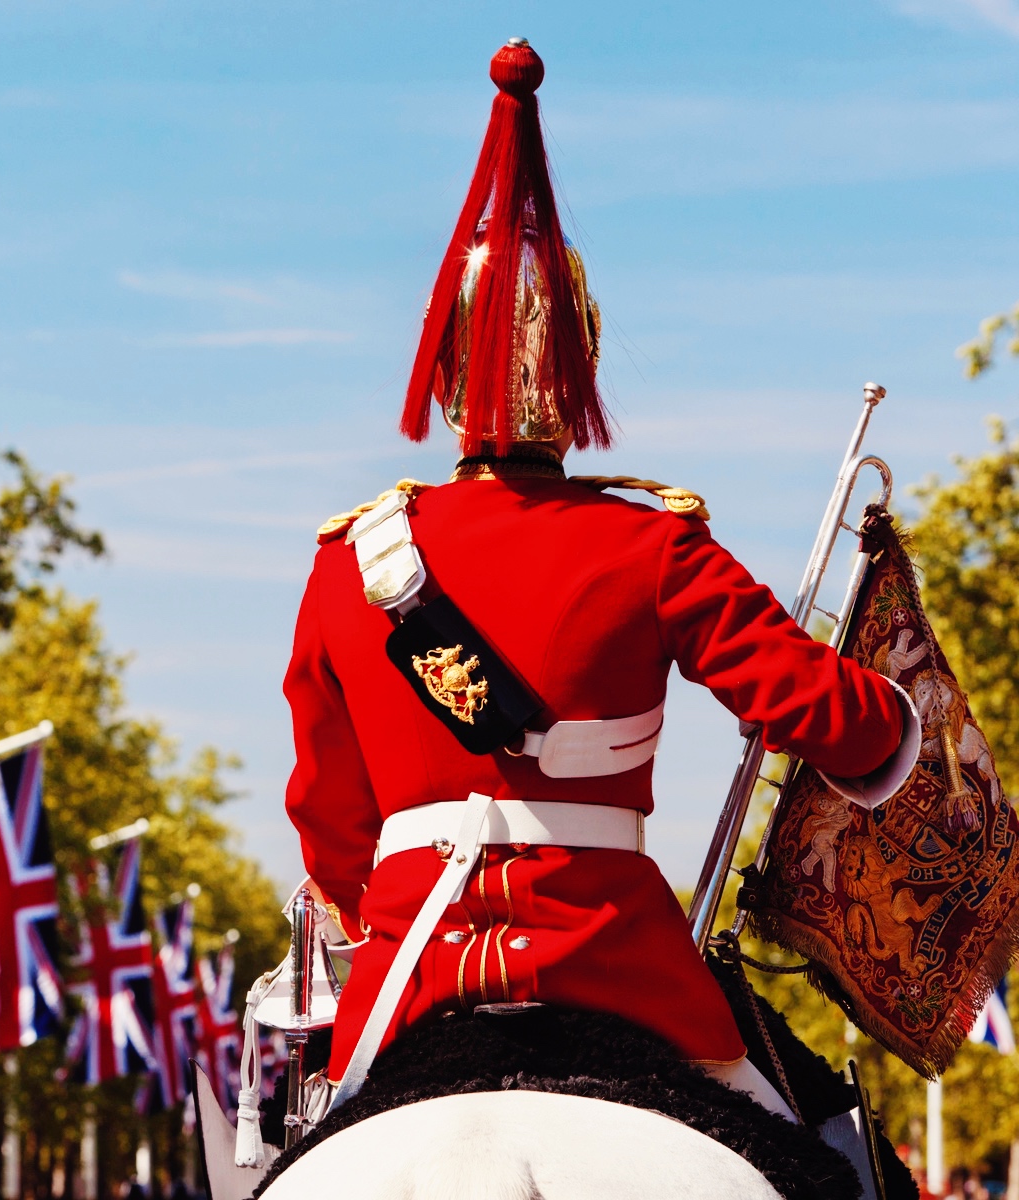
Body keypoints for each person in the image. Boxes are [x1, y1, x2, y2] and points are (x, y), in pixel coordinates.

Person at [282, 39, 915, 1111]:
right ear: (581, 366)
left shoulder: (351, 564)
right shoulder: (653, 546)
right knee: (833, 1148)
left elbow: (333, 822)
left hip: (407, 978)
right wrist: (893, 708)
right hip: (624, 972)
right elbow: (841, 726)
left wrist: (378, 903)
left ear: (439, 373)